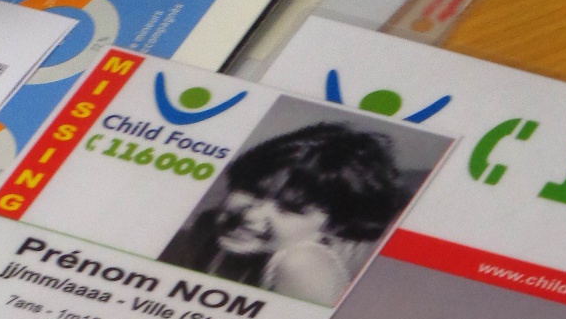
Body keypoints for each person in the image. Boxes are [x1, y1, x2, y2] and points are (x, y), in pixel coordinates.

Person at [158, 121, 405, 306]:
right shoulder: (208, 226)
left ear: (334, 226)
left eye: (290, 209)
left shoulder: (301, 265)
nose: (251, 215)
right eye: (252, 192)